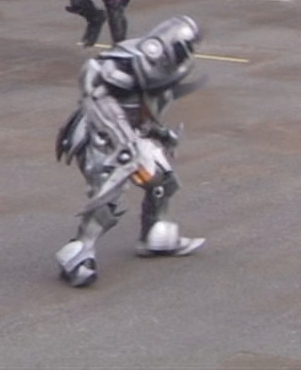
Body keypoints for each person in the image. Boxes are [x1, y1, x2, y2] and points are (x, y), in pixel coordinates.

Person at [54, 15, 206, 288]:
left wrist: (160, 133)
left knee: (163, 181)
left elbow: (146, 110)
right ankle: (79, 253)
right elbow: (95, 93)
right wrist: (122, 140)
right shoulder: (125, 61)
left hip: (134, 136)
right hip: (101, 136)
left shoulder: (168, 71)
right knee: (107, 196)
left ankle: (155, 235)